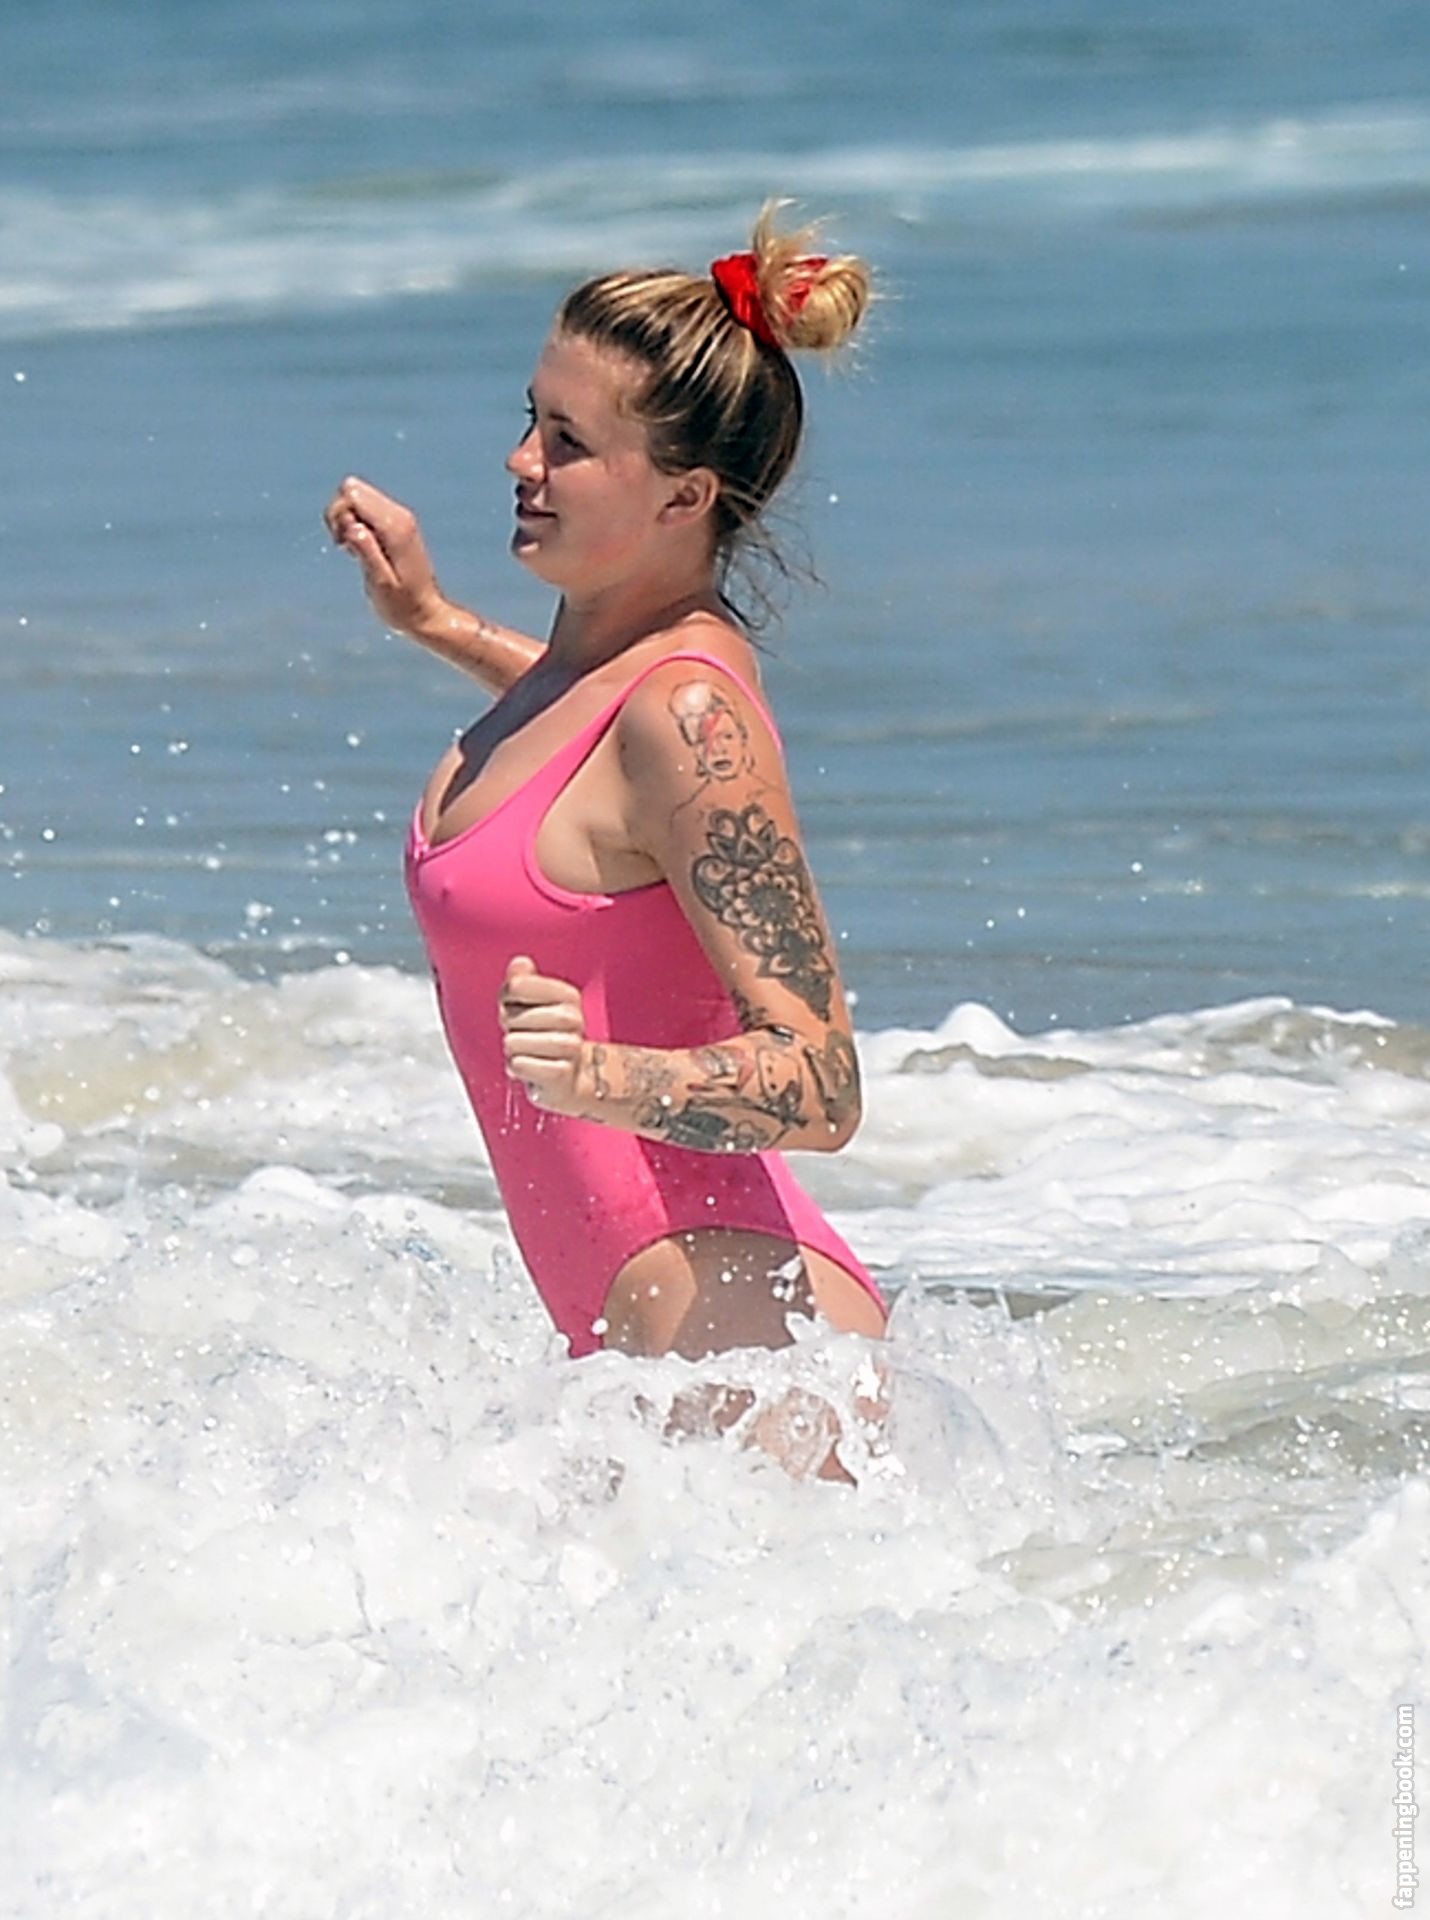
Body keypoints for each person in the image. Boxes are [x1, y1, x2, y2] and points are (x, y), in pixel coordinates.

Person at [325, 204, 887, 1476]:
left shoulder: (689, 718)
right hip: (654, 1342)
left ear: (685, 494)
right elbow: (580, 752)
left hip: (740, 1348)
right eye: (530, 418)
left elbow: (820, 1083)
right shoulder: (604, 685)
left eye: (569, 443)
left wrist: (604, 1077)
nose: (521, 460)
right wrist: (434, 620)